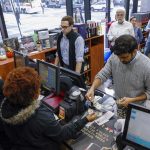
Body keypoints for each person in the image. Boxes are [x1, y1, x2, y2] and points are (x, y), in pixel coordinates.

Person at [0, 67, 96, 150]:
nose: (40, 89)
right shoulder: (40, 117)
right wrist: (85, 119)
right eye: (37, 87)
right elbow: (62, 134)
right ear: (32, 94)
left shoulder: (5, 108)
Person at [86, 35, 150, 108]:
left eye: (124, 57)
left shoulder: (146, 66)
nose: (121, 60)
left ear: (134, 51)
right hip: (118, 102)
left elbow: (149, 92)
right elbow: (103, 74)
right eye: (119, 57)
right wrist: (92, 88)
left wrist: (132, 100)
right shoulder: (115, 56)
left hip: (136, 107)